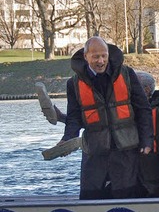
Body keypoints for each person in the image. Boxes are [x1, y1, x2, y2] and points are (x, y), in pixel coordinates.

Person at [60, 36, 153, 199]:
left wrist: (147, 140)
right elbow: (74, 117)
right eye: (95, 57)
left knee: (126, 196)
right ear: (85, 56)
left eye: (104, 56)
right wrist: (68, 140)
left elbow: (143, 109)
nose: (101, 61)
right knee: (90, 196)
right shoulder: (73, 84)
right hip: (94, 150)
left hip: (125, 149)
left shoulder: (127, 74)